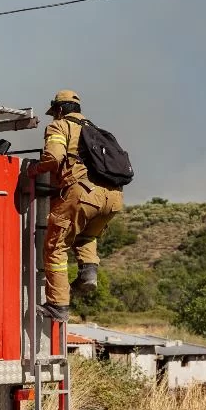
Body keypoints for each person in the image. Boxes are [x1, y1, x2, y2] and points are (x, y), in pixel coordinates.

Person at [25, 90, 125, 322]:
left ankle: (58, 306)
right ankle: (88, 272)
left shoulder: (60, 126)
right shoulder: (94, 129)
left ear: (59, 110)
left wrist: (33, 171)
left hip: (83, 195)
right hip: (113, 198)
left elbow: (53, 157)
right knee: (86, 235)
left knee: (55, 247)